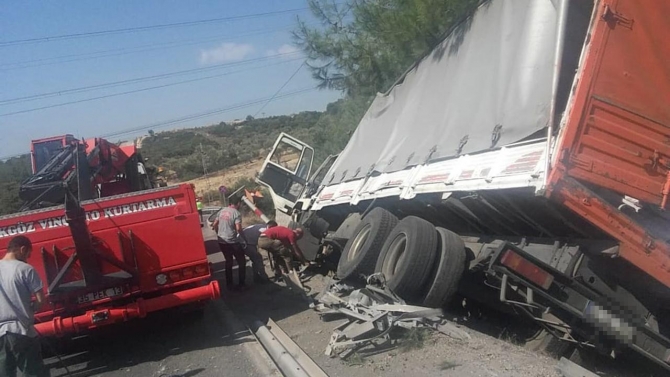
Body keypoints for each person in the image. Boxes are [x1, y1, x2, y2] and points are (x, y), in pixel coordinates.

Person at [0, 236, 49, 377]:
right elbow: (41, 299)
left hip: (0, 334)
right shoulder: (25, 269)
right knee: (33, 371)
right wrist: (32, 308)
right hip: (22, 330)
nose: (27, 259)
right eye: (27, 254)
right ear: (22, 249)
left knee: (5, 372)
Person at [211, 196, 247, 290]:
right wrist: (244, 238)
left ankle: (229, 284)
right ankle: (242, 284)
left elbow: (214, 224)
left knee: (228, 261)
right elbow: (238, 228)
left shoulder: (221, 211)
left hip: (222, 242)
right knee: (242, 262)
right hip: (232, 242)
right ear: (238, 203)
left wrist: (218, 233)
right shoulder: (236, 213)